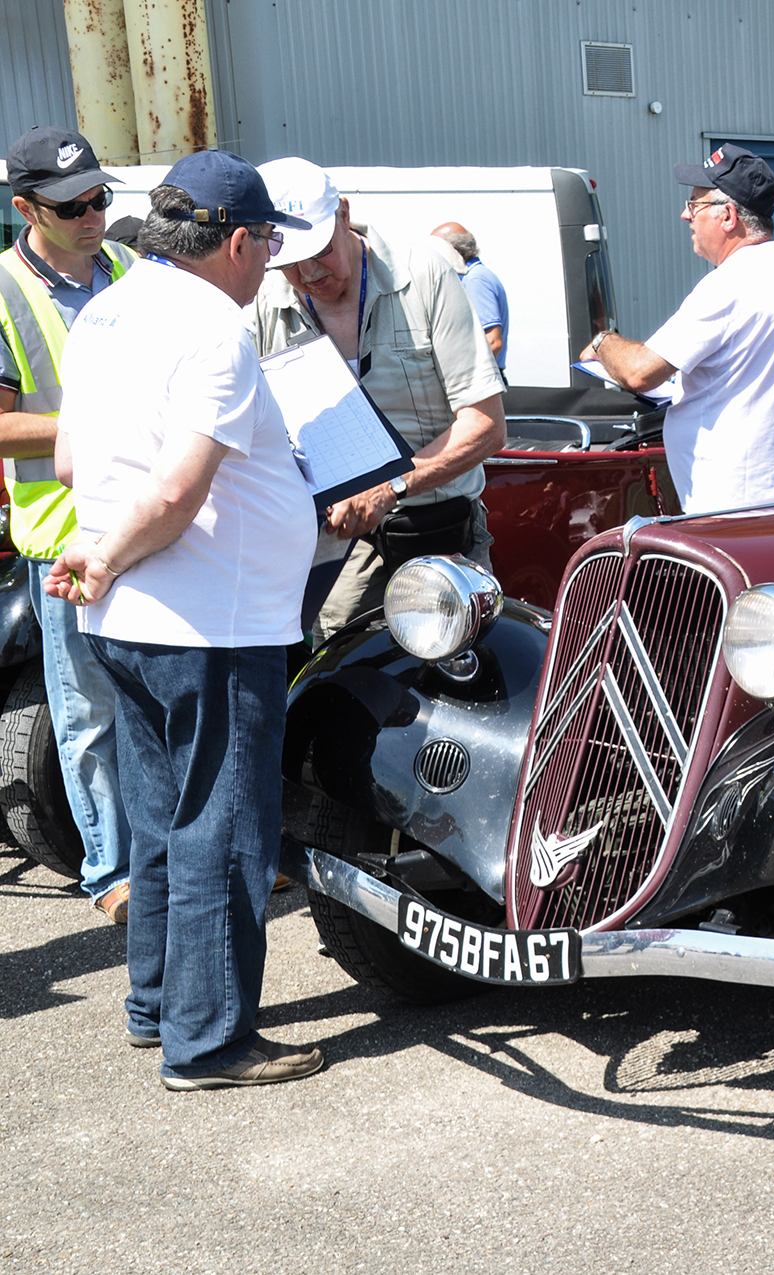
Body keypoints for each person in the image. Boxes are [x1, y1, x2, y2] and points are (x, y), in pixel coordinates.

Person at [45, 149, 323, 1089]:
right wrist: (114, 553)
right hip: (209, 615)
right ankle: (208, 1040)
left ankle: (159, 1003)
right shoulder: (212, 328)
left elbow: (77, 466)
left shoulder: (105, 309)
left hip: (127, 615)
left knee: (163, 818)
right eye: (269, 245)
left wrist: (99, 561)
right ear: (237, 240)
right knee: (227, 823)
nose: (269, 265)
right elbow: (174, 492)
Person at [253, 159, 506, 642]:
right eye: (288, 261)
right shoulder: (265, 299)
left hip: (440, 536)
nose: (308, 273)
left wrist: (388, 487)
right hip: (335, 547)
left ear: (344, 213)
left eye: (321, 252)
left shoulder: (424, 272)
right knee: (339, 693)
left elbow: (486, 425)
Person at [0, 126, 135, 921]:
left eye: (99, 198)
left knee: (157, 703)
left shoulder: (126, 269)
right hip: (64, 537)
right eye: (72, 206)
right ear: (26, 208)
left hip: (149, 524)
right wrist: (96, 427)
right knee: (87, 712)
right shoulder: (4, 293)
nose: (94, 215)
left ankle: (177, 850)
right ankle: (111, 872)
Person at [586, 144, 774, 515]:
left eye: (695, 204)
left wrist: (603, 340)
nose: (685, 215)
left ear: (728, 216)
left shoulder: (730, 283)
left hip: (730, 512)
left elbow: (639, 373)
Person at [430, 221, 509, 374]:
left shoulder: (474, 279)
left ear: (452, 250)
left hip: (481, 381)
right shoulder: (475, 276)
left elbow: (493, 342)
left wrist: (469, 380)